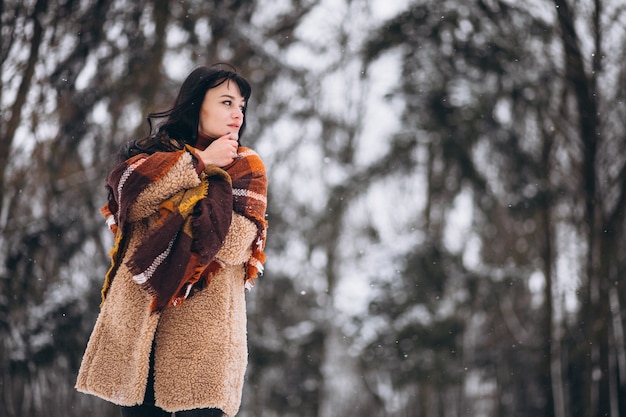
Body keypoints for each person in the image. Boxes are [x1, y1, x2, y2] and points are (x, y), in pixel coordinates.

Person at [75, 64, 268, 417]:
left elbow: (230, 243)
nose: (237, 113)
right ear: (197, 105)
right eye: (226, 102)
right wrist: (200, 163)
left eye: (241, 105)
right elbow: (129, 204)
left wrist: (165, 210)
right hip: (137, 333)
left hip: (202, 349)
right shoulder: (146, 158)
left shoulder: (245, 166)